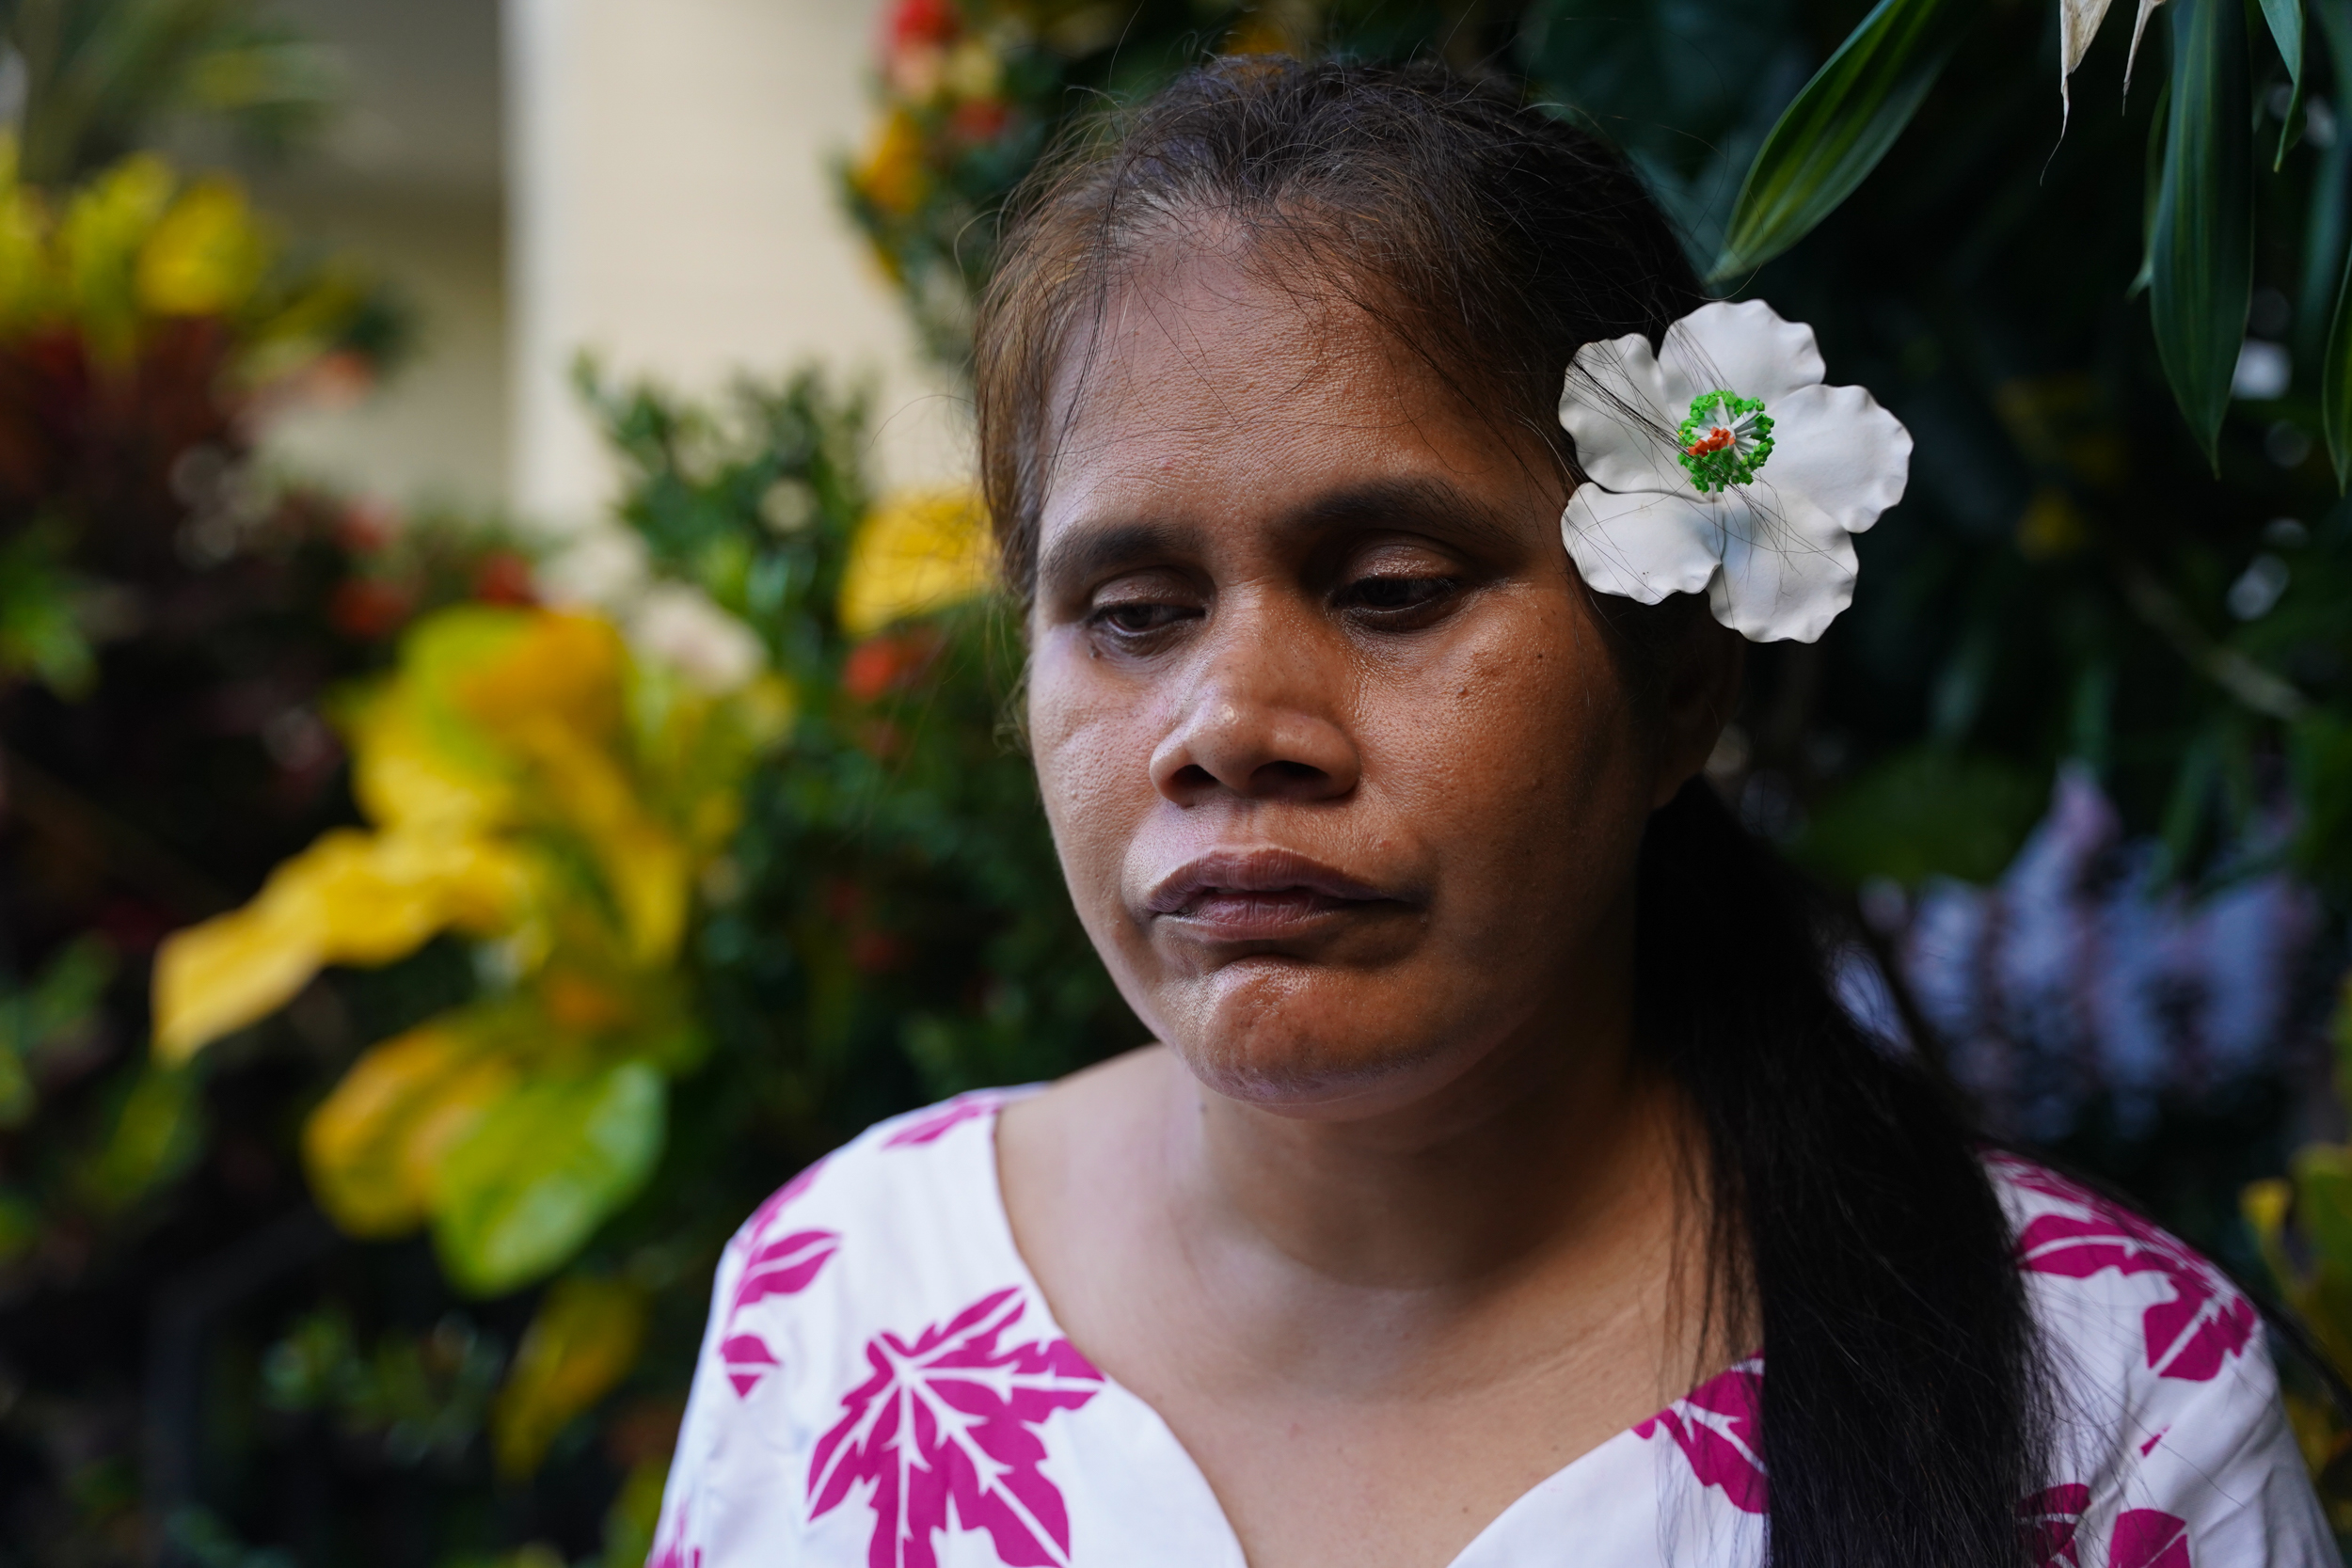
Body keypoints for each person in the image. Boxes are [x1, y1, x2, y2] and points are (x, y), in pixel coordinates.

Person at [647, 57, 2330, 1568]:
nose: (1230, 728)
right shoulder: (845, 1305)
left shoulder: (2109, 1415)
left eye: (1389, 587)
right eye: (1135, 613)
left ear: (1679, 681)